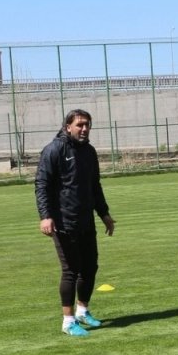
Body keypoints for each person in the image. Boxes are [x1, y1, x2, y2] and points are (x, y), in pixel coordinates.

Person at [35, 109, 115, 337]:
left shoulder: (89, 152)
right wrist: (45, 216)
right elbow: (42, 185)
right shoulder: (55, 150)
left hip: (86, 220)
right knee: (71, 271)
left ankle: (82, 311)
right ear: (67, 126)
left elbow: (95, 186)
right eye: (79, 125)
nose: (84, 129)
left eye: (87, 124)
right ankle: (68, 321)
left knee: (90, 268)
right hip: (63, 220)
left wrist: (105, 214)